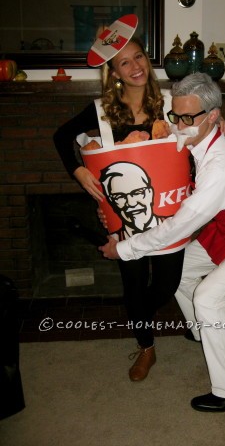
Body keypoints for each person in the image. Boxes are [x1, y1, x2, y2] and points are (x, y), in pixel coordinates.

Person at [99, 72, 225, 412]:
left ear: (213, 116)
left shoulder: (221, 167)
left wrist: (124, 249)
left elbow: (178, 226)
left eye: (188, 118)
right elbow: (161, 153)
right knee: (180, 273)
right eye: (176, 115)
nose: (179, 125)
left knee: (209, 298)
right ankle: (205, 332)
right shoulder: (197, 134)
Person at [53, 36, 186, 382]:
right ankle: (146, 346)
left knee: (166, 285)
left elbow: (199, 135)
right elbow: (61, 136)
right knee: (134, 281)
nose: (135, 66)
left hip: (170, 214)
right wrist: (79, 171)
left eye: (138, 57)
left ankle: (138, 313)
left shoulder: (170, 103)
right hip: (123, 218)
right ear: (113, 72)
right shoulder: (102, 110)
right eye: (124, 62)